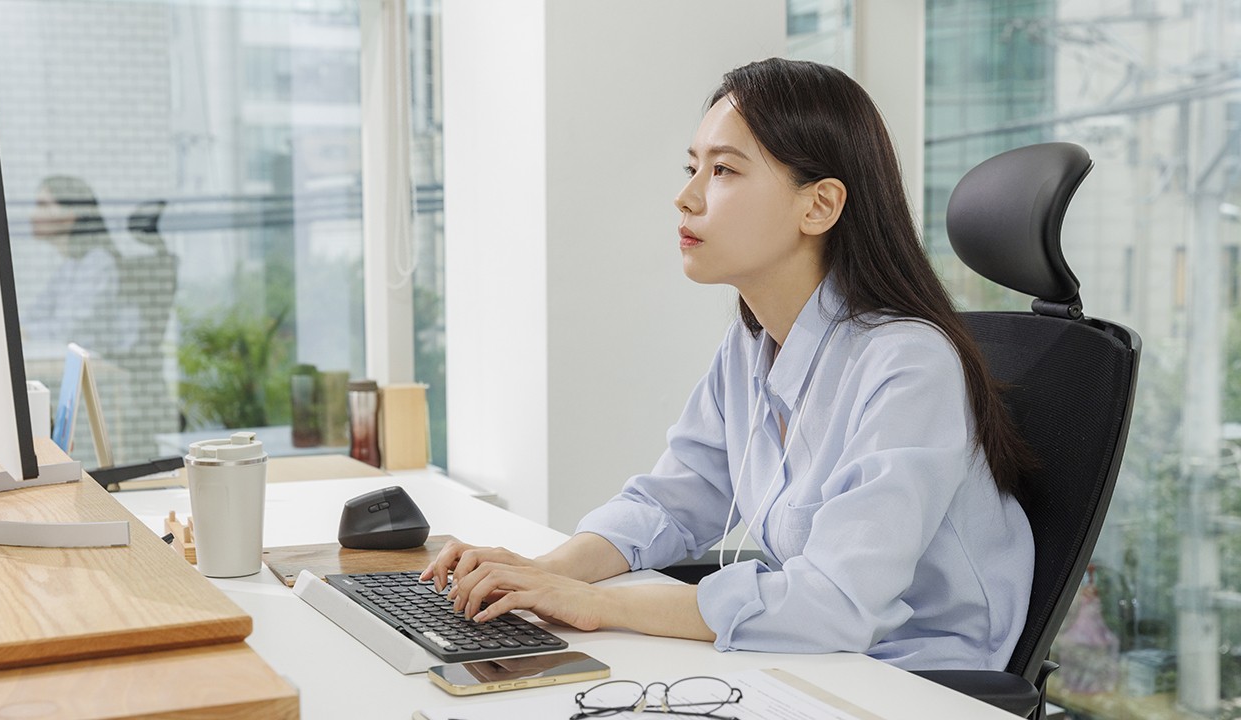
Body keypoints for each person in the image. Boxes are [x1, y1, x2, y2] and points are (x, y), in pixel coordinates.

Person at [422, 58, 1035, 671]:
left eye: (722, 171)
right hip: (815, 658)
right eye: (693, 168)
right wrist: (540, 572)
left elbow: (838, 602)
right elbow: (672, 501)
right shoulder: (752, 345)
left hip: (918, 678)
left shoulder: (909, 365)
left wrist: (594, 605)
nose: (685, 198)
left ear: (819, 206)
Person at [22, 175, 130, 353]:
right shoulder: (70, 266)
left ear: (70, 214)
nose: (32, 215)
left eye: (43, 205)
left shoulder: (98, 263)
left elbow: (74, 329)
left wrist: (25, 332)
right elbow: (37, 313)